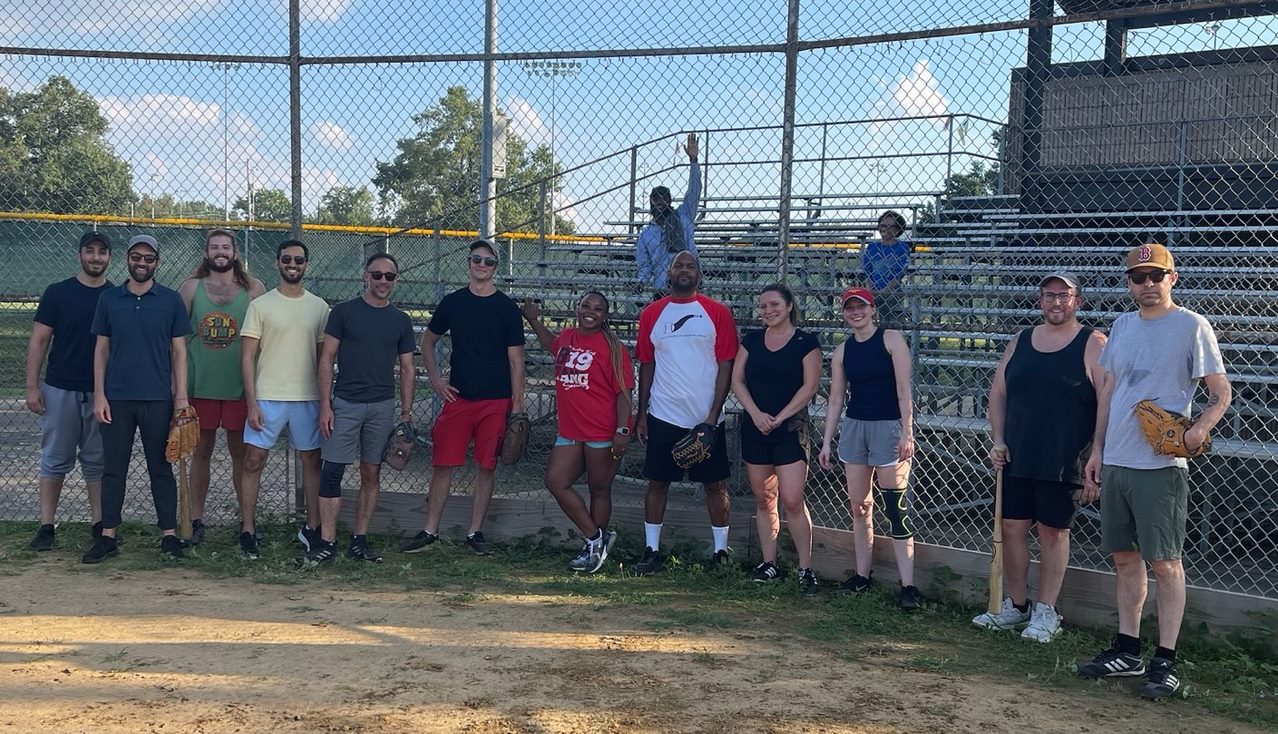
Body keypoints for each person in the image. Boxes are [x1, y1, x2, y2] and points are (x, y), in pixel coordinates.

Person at [1078, 244, 1231, 700]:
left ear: (1172, 278)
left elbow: (1221, 392)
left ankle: (1165, 660)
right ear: (1128, 282)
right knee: (1124, 558)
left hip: (1160, 464)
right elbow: (1109, 390)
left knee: (1164, 563)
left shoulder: (1190, 326)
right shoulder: (1122, 325)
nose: (1146, 284)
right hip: (1119, 458)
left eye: (1155, 276)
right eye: (1138, 277)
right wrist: (1097, 449)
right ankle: (1127, 649)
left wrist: (1198, 429)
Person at [973, 272, 1106, 641]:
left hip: (1064, 459)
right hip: (1018, 454)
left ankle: (1048, 611)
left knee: (1053, 532)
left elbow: (1107, 402)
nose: (1056, 302)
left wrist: (1098, 452)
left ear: (1078, 301)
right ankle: (1017, 606)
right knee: (1012, 529)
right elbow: (998, 393)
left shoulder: (1093, 342)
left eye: (1064, 295)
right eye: (1049, 296)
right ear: (1039, 301)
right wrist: (998, 439)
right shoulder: (1021, 340)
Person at [403, 240, 525, 556]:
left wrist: (518, 404)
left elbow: (516, 361)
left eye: (488, 261)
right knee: (443, 464)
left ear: (496, 267)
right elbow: (427, 342)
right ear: (468, 262)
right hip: (459, 398)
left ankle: (475, 532)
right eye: (476, 259)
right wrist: (435, 379)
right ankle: (430, 530)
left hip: (495, 400)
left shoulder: (506, 308)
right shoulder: (453, 302)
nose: (481, 265)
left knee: (486, 466)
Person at [82, 235, 192, 564]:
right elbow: (101, 349)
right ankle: (108, 536)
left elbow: (179, 351)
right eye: (136, 257)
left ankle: (169, 536)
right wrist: (100, 394)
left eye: (148, 258)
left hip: (158, 397)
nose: (141, 263)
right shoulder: (109, 299)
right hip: (117, 398)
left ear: (157, 262)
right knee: (113, 469)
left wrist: (181, 397)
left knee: (161, 468)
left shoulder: (170, 300)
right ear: (127, 260)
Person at [634, 251, 739, 574]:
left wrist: (713, 415)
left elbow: (726, 366)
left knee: (715, 485)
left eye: (690, 265)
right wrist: (642, 413)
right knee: (657, 483)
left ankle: (720, 552)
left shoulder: (717, 312)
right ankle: (652, 550)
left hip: (706, 417)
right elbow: (647, 364)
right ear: (668, 273)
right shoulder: (652, 314)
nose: (684, 270)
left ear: (699, 274)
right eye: (678, 265)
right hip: (664, 413)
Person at [308, 252, 416, 565]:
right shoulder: (343, 312)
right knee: (332, 472)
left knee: (372, 472)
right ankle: (327, 541)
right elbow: (327, 358)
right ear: (365, 276)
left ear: (396, 280)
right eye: (377, 274)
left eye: (390, 276)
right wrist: (325, 405)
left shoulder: (400, 320)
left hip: (381, 406)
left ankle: (360, 538)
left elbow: (407, 368)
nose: (383, 281)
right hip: (345, 404)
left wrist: (406, 414)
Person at [818, 287, 920, 610]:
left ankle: (909, 587)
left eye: (861, 306)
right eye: (849, 308)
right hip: (855, 427)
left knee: (895, 508)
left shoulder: (891, 340)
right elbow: (836, 399)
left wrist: (908, 431)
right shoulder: (842, 351)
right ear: (844, 313)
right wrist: (826, 441)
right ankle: (863, 576)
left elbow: (904, 390)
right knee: (860, 507)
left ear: (872, 309)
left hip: (889, 427)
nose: (855, 312)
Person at [521, 292, 635, 573]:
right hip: (571, 430)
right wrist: (534, 321)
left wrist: (622, 429)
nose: (590, 312)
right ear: (577, 308)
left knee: (599, 489)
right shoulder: (568, 337)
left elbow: (624, 392)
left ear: (605, 316)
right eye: (586, 306)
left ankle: (593, 549)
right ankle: (596, 538)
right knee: (556, 481)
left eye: (598, 309)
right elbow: (552, 345)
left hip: (602, 430)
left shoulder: (612, 346)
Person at [240, 240, 330, 559]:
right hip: (267, 397)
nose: (293, 264)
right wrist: (252, 403)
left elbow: (324, 360)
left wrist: (325, 402)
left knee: (312, 461)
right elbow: (248, 358)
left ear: (307, 264)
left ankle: (312, 528)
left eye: (299, 260)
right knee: (253, 461)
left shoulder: (319, 307)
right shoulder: (260, 306)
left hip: (307, 399)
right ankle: (248, 529)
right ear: (277, 262)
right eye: (287, 259)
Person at [730, 283, 822, 594]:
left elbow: (809, 387)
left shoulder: (805, 342)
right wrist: (756, 414)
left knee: (793, 500)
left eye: (774, 305)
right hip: (755, 425)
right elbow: (737, 380)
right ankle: (768, 563)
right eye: (763, 306)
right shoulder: (752, 341)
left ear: (789, 306)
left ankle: (805, 568)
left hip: (789, 427)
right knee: (764, 498)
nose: (768, 311)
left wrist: (780, 417)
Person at [177, 228, 266, 546]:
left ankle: (246, 524)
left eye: (225, 247)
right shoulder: (190, 288)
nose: (220, 252)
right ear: (206, 253)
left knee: (241, 456)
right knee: (200, 454)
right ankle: (195, 519)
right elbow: (176, 341)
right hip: (200, 388)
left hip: (241, 389)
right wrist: (180, 388)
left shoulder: (254, 289)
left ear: (235, 253)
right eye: (214, 247)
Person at [25, 231, 113, 550]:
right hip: (60, 386)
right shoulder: (59, 292)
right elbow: (39, 340)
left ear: (110, 258)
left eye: (102, 252)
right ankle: (47, 525)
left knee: (96, 461)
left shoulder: (114, 296)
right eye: (89, 251)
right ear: (80, 255)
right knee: (55, 457)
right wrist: (32, 386)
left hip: (100, 392)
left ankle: (99, 524)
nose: (95, 257)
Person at [635, 133, 701, 297]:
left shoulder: (684, 214)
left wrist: (694, 161)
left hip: (689, 284)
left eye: (664, 199)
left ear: (670, 201)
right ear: (650, 202)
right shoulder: (646, 234)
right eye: (656, 199)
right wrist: (641, 281)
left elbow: (694, 190)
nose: (660, 203)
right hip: (662, 289)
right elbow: (645, 265)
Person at [861, 210, 910, 327]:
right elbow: (867, 272)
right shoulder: (872, 247)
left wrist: (883, 292)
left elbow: (899, 275)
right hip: (873, 290)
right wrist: (871, 290)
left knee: (891, 324)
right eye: (883, 225)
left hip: (892, 291)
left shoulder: (902, 248)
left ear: (898, 229)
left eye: (890, 226)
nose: (885, 229)